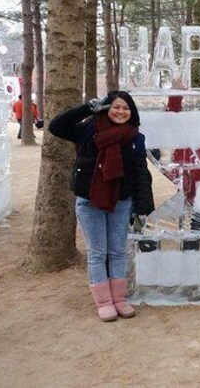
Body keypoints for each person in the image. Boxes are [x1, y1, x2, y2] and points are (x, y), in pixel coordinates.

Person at [49, 91, 155, 322]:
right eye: (116, 107)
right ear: (107, 108)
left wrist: (143, 205)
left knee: (117, 251)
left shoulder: (136, 137)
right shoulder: (89, 129)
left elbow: (140, 172)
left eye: (126, 108)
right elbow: (57, 126)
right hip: (90, 200)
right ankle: (104, 302)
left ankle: (119, 299)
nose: (121, 112)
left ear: (132, 112)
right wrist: (88, 108)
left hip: (121, 200)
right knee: (98, 253)